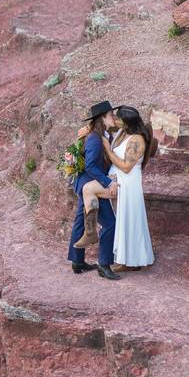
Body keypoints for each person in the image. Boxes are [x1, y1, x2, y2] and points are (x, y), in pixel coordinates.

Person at [76, 105, 155, 272]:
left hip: (127, 183)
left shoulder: (137, 140)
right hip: (118, 179)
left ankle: (91, 232)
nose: (116, 120)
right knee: (124, 220)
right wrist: (88, 129)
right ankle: (126, 260)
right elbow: (105, 127)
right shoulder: (123, 132)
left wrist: (106, 147)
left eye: (119, 119)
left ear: (126, 123)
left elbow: (126, 166)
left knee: (89, 189)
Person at [67, 101, 121, 281]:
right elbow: (90, 166)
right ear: (102, 118)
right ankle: (104, 265)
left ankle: (77, 261)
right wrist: (107, 182)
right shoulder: (95, 139)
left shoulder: (102, 134)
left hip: (88, 184)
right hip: (91, 185)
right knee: (110, 223)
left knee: (81, 220)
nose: (114, 117)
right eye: (111, 115)